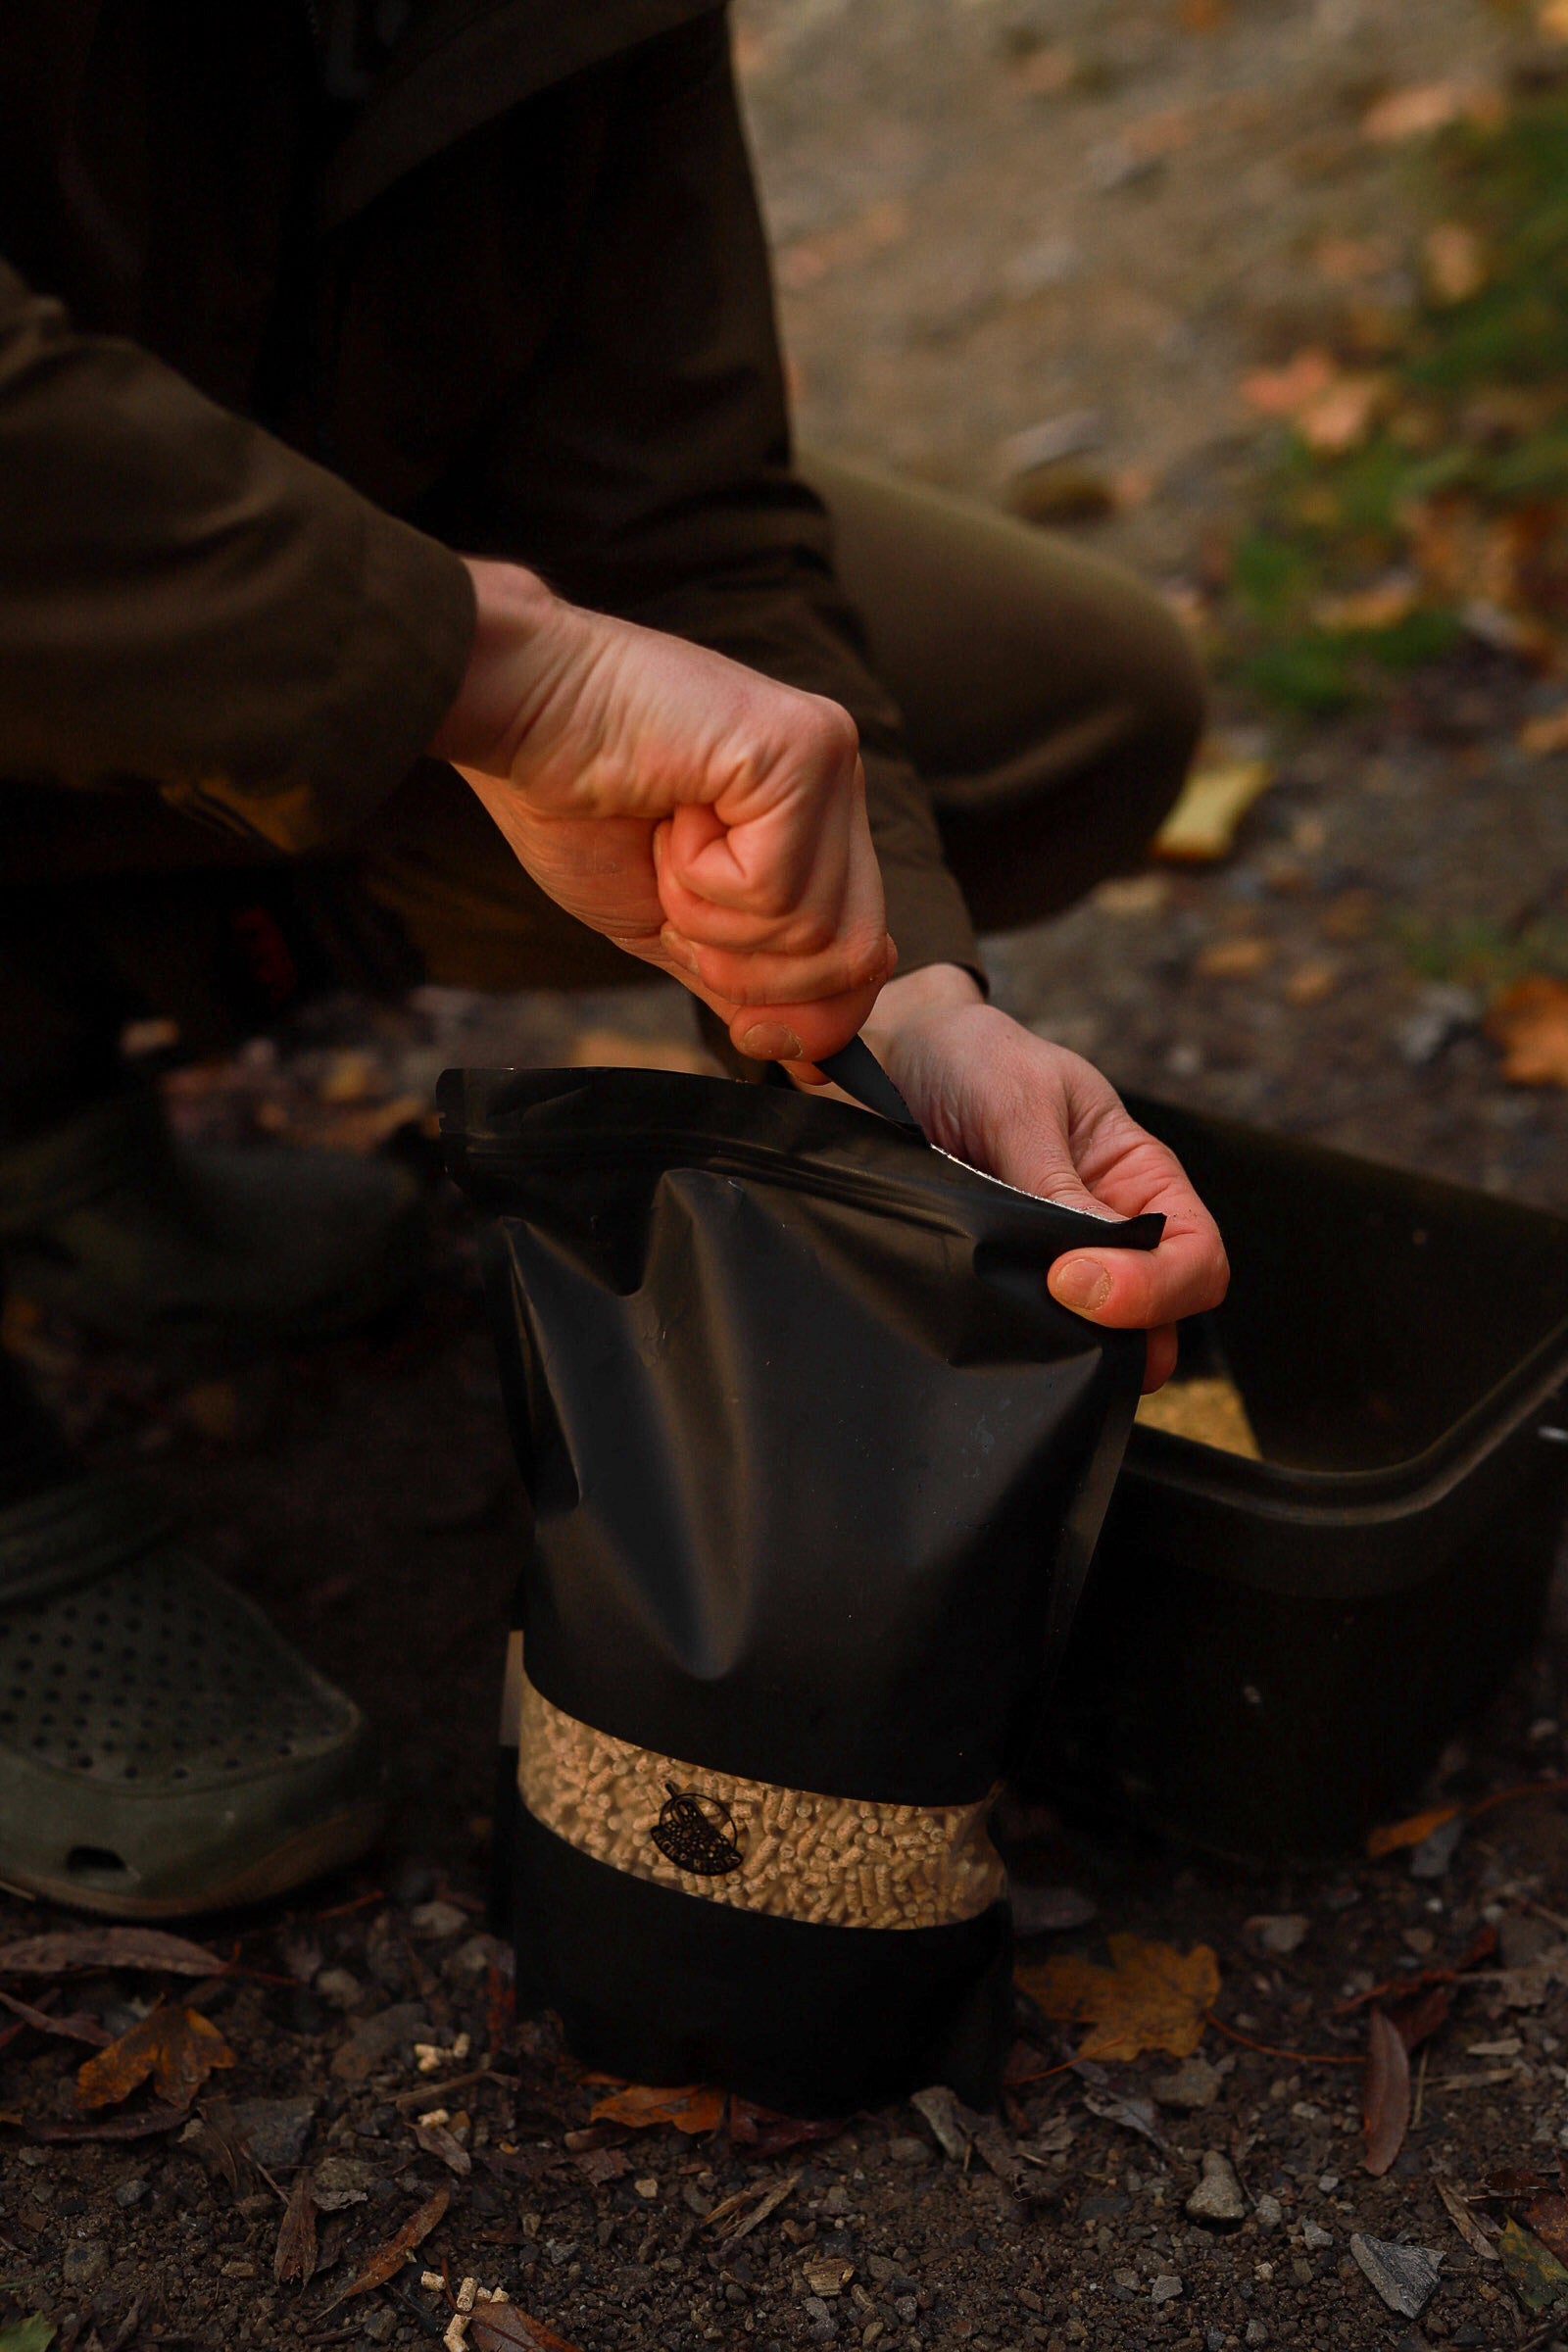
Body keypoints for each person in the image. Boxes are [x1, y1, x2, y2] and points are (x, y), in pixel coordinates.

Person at [0, 0, 1229, 1916]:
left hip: (216, 610)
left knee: (1038, 705)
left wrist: (897, 1009)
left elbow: (669, 501)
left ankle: (31, 1066)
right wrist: (489, 675)